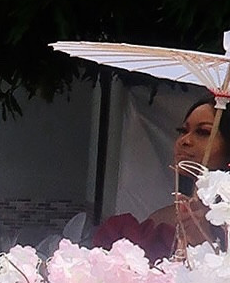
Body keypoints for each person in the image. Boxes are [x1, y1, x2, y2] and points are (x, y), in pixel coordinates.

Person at [94, 92, 230, 258]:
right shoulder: (162, 219)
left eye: (203, 132)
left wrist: (206, 243)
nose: (184, 140)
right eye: (183, 130)